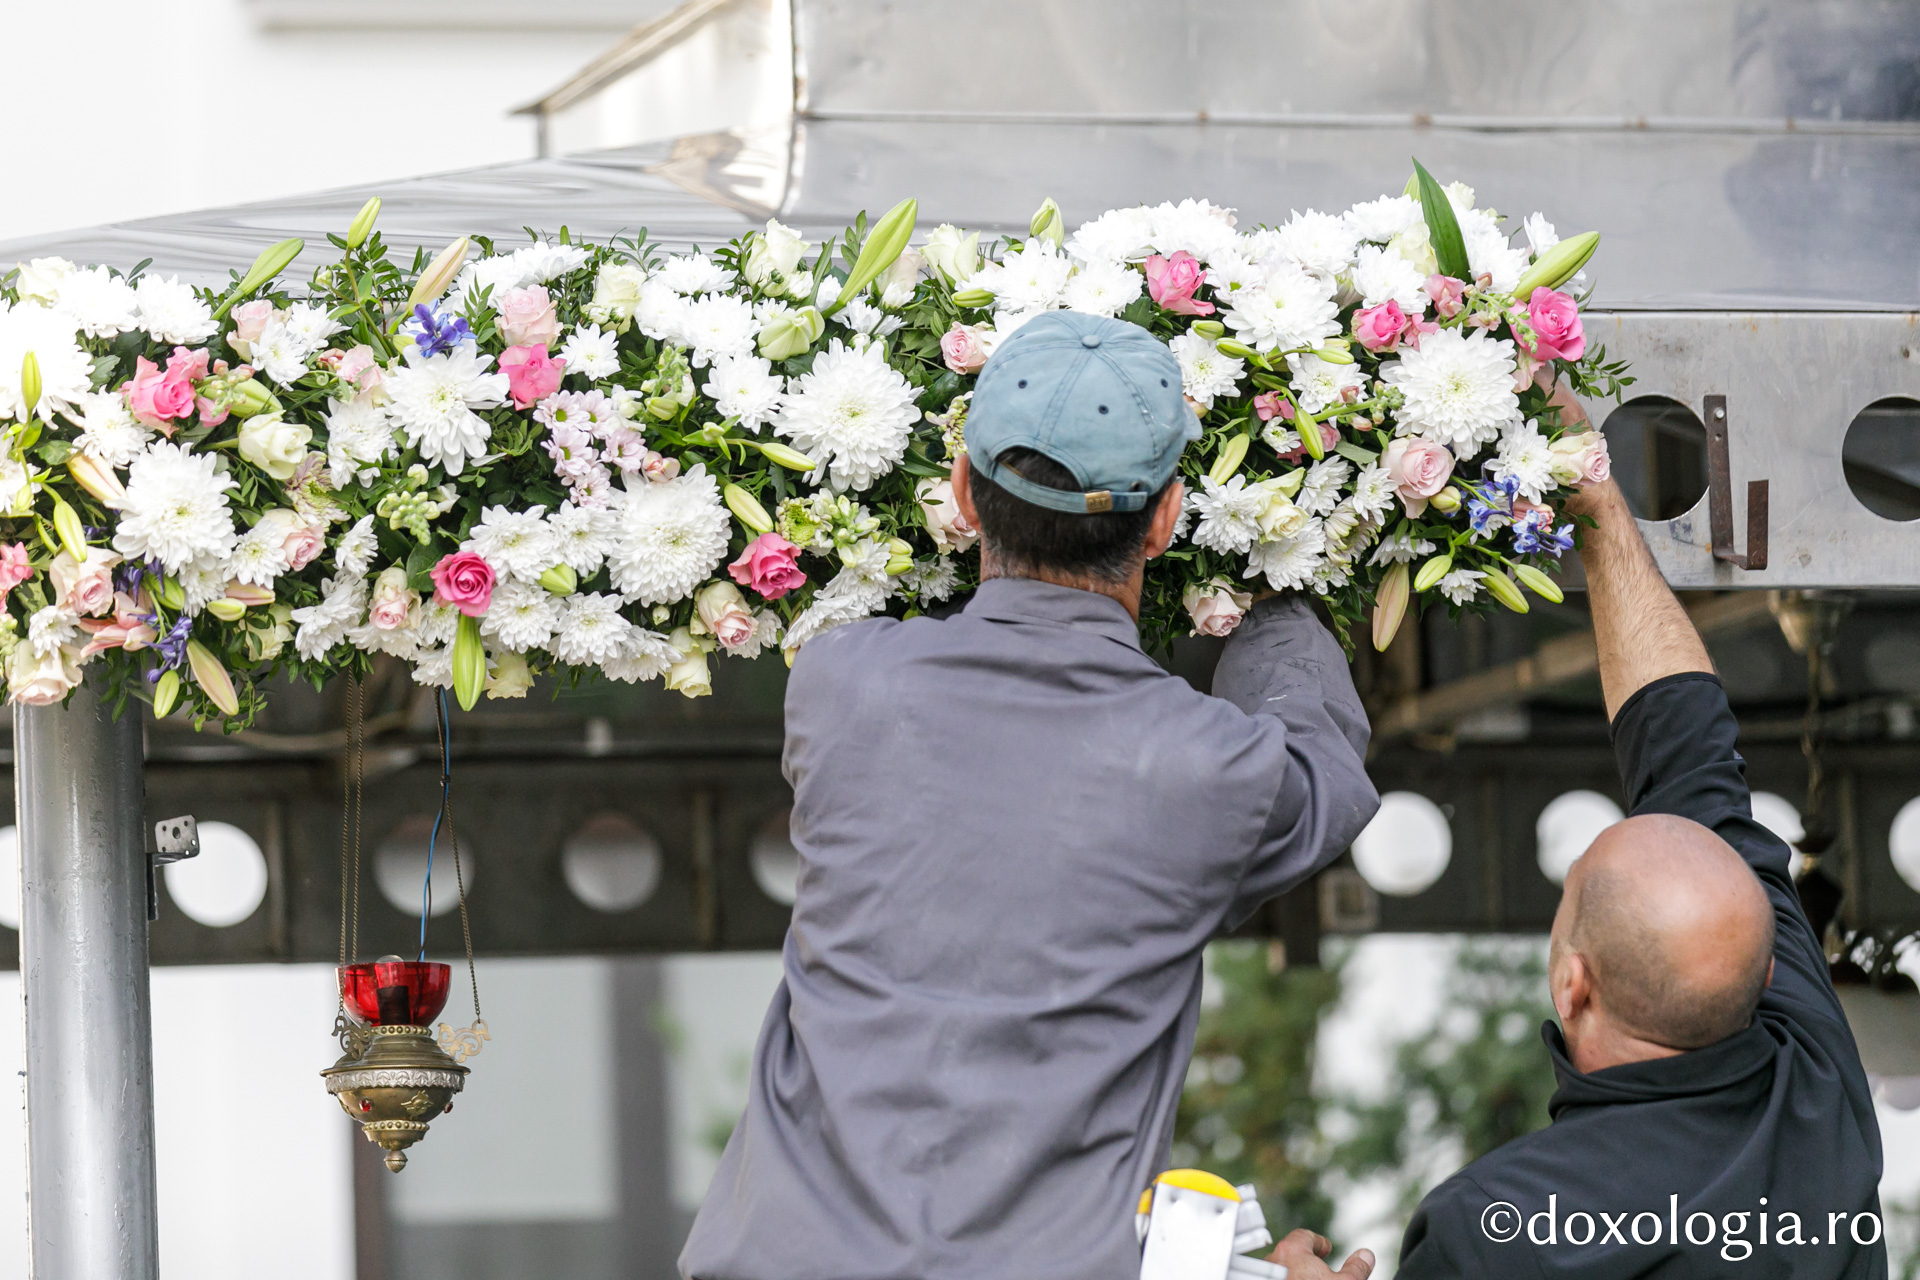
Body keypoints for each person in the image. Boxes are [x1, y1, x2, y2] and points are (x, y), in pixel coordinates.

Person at [678, 310, 1381, 1280]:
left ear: (962, 491)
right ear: (1170, 518)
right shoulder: (1211, 771)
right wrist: (1271, 574)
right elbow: (1324, 759)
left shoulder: (843, 685)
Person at [1391, 423, 1887, 1277]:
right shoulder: (1815, 1095)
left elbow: (1694, 766)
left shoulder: (1486, 1236)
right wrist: (1598, 503)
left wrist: (1600, 507)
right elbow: (1692, 771)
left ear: (1571, 982)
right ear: (1771, 976)